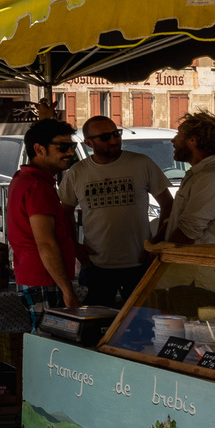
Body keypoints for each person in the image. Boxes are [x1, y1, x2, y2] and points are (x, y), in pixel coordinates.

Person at [60, 116, 175, 308]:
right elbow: (65, 212)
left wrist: (157, 242)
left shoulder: (141, 163)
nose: (113, 140)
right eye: (105, 137)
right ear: (88, 143)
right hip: (96, 264)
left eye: (116, 134)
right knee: (96, 322)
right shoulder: (77, 172)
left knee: (142, 322)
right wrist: (75, 245)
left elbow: (168, 204)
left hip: (139, 261)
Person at [7, 119, 81, 321]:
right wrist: (67, 290)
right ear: (39, 149)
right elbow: (45, 243)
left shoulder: (24, 178)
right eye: (63, 147)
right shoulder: (37, 186)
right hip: (44, 278)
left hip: (37, 276)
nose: (70, 153)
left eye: (71, 146)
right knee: (51, 341)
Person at [166, 110, 215, 246]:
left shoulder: (213, 177)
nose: (173, 140)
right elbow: (176, 220)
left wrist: (160, 254)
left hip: (202, 265)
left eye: (178, 135)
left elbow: (188, 232)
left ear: (192, 140)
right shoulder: (198, 173)